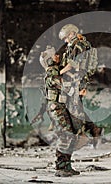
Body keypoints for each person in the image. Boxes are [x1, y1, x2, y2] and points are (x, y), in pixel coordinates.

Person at [58, 24, 103, 146]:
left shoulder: (79, 45)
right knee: (75, 106)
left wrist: (59, 73)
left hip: (78, 80)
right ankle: (92, 130)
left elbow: (72, 64)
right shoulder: (76, 45)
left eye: (66, 37)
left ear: (72, 34)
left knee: (74, 107)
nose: (65, 40)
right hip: (75, 79)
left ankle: (82, 134)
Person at [39, 46, 80, 177]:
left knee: (71, 134)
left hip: (61, 107)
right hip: (56, 108)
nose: (58, 56)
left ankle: (66, 165)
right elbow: (61, 85)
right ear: (49, 60)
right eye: (55, 55)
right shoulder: (51, 73)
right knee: (65, 135)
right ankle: (60, 166)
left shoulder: (57, 71)